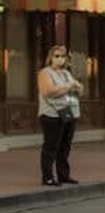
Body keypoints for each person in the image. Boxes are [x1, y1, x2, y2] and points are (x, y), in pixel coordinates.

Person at [37, 45, 84, 186]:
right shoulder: (45, 73)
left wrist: (78, 88)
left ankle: (64, 175)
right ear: (50, 57)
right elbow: (48, 91)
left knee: (65, 146)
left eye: (62, 56)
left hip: (69, 113)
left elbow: (78, 92)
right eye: (56, 56)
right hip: (52, 114)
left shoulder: (66, 74)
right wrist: (68, 87)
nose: (60, 59)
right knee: (52, 146)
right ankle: (48, 177)